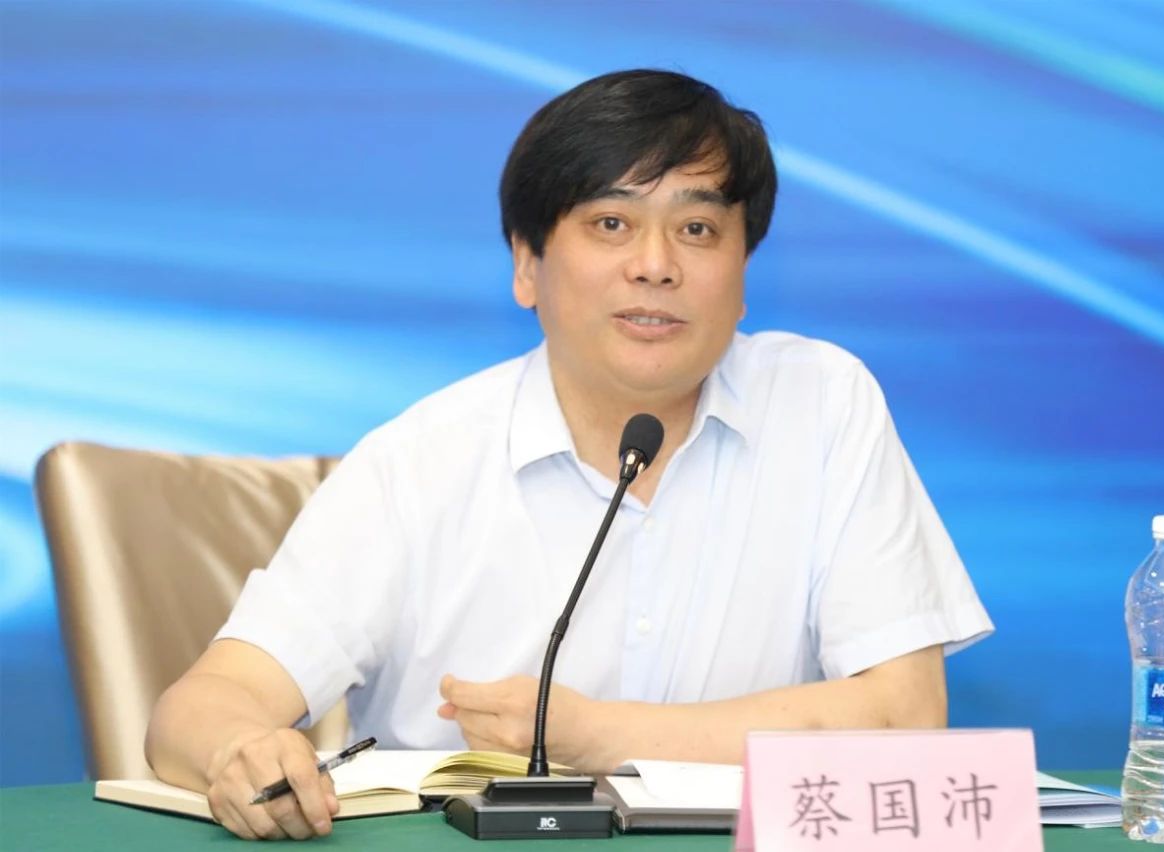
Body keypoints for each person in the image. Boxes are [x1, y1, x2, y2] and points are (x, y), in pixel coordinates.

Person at [145, 69, 992, 841]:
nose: (655, 266)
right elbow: (203, 706)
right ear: (527, 264)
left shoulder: (822, 404)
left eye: (697, 228)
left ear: (742, 275)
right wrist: (241, 752)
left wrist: (596, 735)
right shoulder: (420, 462)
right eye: (611, 224)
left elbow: (905, 720)